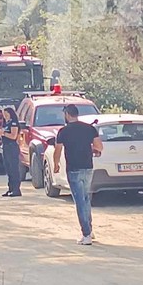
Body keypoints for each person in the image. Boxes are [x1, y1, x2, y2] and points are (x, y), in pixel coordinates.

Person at [53, 104, 102, 245]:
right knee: (86, 199)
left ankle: (86, 234)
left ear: (67, 115)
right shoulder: (89, 129)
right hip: (88, 167)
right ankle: (89, 230)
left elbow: (57, 150)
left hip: (73, 169)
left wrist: (56, 164)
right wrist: (90, 149)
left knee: (80, 201)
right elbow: (99, 147)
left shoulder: (63, 131)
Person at [0, 107, 22, 197]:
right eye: (4, 114)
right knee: (8, 169)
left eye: (6, 114)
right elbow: (4, 137)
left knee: (14, 168)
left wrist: (4, 133)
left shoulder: (13, 123)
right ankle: (10, 188)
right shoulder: (5, 124)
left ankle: (16, 189)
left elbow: (13, 136)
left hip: (12, 147)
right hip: (5, 146)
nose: (5, 116)